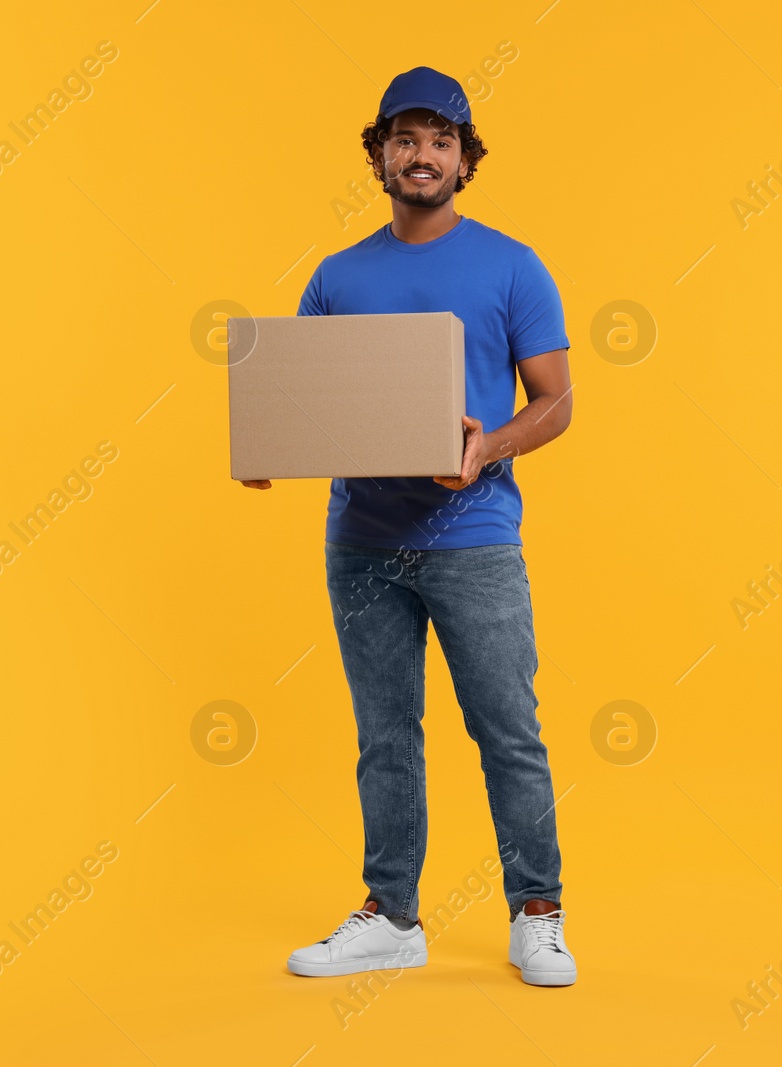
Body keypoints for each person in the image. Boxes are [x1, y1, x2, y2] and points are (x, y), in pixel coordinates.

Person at [243, 66, 576, 987]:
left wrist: (489, 446)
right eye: (404, 138)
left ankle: (537, 911)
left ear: (464, 161)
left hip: (475, 541)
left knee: (507, 727)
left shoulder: (513, 264)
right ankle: (392, 915)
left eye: (440, 140)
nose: (420, 154)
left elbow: (555, 402)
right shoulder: (337, 275)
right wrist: (263, 439)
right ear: (380, 155)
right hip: (362, 543)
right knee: (385, 734)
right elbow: (304, 399)